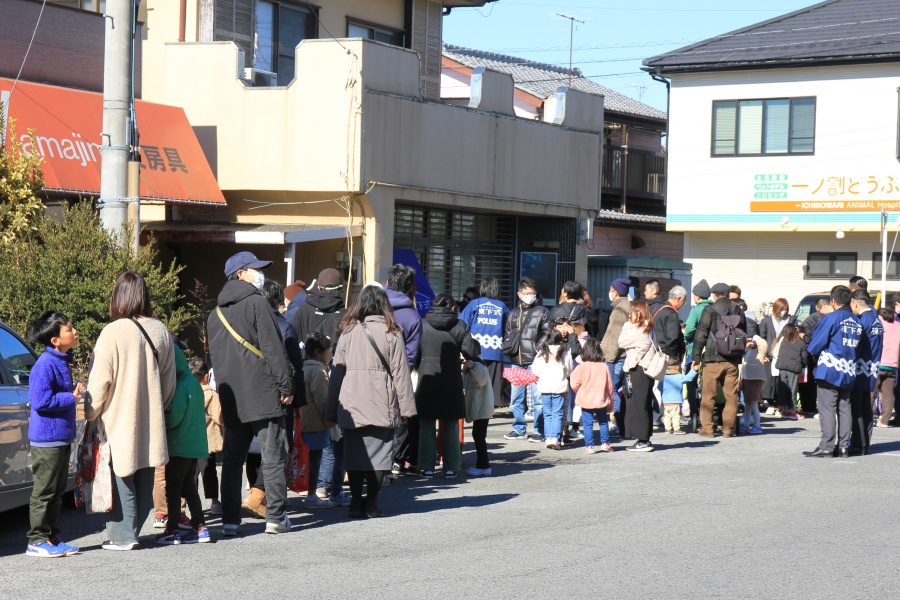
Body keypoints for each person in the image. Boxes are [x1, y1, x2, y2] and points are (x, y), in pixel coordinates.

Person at [85, 272, 177, 551]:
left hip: (119, 418)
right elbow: (169, 381)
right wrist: (160, 407)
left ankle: (123, 535)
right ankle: (131, 531)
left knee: (121, 476)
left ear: (118, 297)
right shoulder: (160, 330)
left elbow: (99, 382)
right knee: (145, 474)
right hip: (152, 418)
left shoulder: (112, 332)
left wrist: (90, 413)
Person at [207, 252, 295, 536]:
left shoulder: (214, 314)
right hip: (263, 391)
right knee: (273, 456)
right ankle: (276, 517)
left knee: (232, 460)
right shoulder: (258, 303)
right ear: (240, 274)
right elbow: (273, 349)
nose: (260, 273)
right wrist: (286, 386)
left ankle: (230, 520)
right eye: (254, 269)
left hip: (232, 397)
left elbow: (215, 360)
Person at [324, 285, 416, 518]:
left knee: (354, 456)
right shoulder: (392, 332)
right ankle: (372, 504)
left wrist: (331, 408)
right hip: (382, 402)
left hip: (352, 404)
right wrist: (407, 408)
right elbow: (401, 374)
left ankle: (356, 504)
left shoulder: (348, 332)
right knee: (380, 456)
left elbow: (337, 373)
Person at [242, 279, 307, 517]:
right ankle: (259, 496)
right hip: (279, 395)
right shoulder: (284, 326)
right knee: (277, 448)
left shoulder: (248, 324)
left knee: (254, 448)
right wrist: (298, 401)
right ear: (279, 301)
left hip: (250, 393)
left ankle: (256, 494)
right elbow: (295, 368)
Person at [24, 312, 83, 558]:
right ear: (55, 340)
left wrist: (72, 393)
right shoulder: (45, 364)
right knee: (44, 491)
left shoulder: (60, 361)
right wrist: (72, 397)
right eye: (69, 329)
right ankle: (37, 540)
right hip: (47, 440)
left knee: (57, 492)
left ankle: (51, 537)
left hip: (61, 438)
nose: (74, 331)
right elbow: (40, 400)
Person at [415, 293, 478, 477]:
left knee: (426, 424)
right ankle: (450, 466)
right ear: (453, 308)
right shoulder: (460, 325)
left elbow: (415, 352)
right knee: (451, 424)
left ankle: (426, 467)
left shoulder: (422, 324)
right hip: (451, 378)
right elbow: (470, 352)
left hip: (427, 376)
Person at [156, 346, 210, 545]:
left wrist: (162, 418)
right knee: (190, 489)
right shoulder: (194, 383)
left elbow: (174, 418)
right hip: (195, 446)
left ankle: (173, 530)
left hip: (179, 445)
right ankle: (200, 528)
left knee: (173, 489)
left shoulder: (180, 385)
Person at [804, 285, 861, 457]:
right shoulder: (856, 320)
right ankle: (843, 446)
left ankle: (827, 446)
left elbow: (815, 345)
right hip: (849, 368)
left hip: (830, 368)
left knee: (827, 407)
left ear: (833, 301)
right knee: (845, 407)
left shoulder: (831, 318)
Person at [691, 282, 747, 438]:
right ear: (729, 294)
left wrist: (696, 357)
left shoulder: (709, 310)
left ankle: (708, 429)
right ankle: (728, 429)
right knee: (731, 396)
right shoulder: (738, 310)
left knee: (708, 395)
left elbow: (700, 335)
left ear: (714, 295)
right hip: (732, 360)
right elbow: (743, 335)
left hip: (713, 359)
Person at [384, 264, 423, 478]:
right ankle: (391, 463)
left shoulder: (372, 307)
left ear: (387, 283)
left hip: (367, 374)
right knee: (397, 421)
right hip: (397, 376)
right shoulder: (412, 316)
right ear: (410, 287)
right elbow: (410, 355)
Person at [502, 278, 552, 442]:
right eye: (527, 293)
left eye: (532, 293)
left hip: (535, 361)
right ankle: (519, 428)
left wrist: (538, 348)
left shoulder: (542, 311)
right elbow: (508, 333)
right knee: (516, 399)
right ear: (519, 294)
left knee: (538, 398)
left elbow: (547, 332)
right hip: (516, 360)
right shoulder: (513, 313)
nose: (530, 296)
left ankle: (539, 430)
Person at [301, 332, 338, 508]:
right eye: (327, 350)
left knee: (300, 460)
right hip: (314, 422)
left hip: (302, 421)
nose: (329, 353)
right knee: (314, 459)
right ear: (318, 352)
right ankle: (311, 495)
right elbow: (323, 400)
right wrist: (332, 423)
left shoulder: (302, 367)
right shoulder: (318, 370)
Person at [460, 277, 510, 409]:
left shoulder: (474, 304)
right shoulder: (502, 306)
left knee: (474, 381)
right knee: (492, 384)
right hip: (495, 350)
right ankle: (489, 408)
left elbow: (462, 324)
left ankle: (474, 407)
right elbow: (508, 328)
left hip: (475, 350)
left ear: (482, 289)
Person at [618, 301, 658, 451]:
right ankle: (644, 438)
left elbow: (621, 342)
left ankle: (643, 440)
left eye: (632, 312)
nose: (629, 316)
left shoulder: (639, 330)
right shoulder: (648, 329)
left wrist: (627, 325)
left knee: (639, 405)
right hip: (645, 370)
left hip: (639, 370)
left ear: (639, 314)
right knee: (643, 404)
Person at [849, 288, 882, 455]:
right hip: (872, 367)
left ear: (855, 303)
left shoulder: (862, 321)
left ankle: (858, 443)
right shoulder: (876, 320)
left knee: (857, 407)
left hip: (860, 368)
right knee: (866, 407)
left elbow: (855, 345)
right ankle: (865, 442)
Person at [189, 358, 223, 517]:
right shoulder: (211, 395)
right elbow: (219, 416)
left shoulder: (187, 393)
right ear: (206, 376)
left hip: (190, 440)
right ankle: (215, 502)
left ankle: (189, 504)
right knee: (209, 471)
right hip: (208, 440)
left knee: (191, 474)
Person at [532, 329, 574, 450]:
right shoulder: (565, 354)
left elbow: (535, 370)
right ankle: (555, 438)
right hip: (559, 386)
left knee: (547, 414)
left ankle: (548, 438)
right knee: (557, 413)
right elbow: (569, 371)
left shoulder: (542, 353)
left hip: (545, 386)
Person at [569, 339, 614, 453]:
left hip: (586, 399)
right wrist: (610, 401)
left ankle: (589, 446)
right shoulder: (604, 366)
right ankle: (605, 444)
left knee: (587, 424)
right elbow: (609, 386)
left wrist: (580, 391)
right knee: (603, 422)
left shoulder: (581, 367)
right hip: (601, 398)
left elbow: (574, 383)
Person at [291, 267, 347, 353]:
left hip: (306, 360)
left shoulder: (304, 310)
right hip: (334, 360)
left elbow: (293, 339)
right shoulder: (347, 315)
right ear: (341, 289)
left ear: (319, 288)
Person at [602, 278, 632, 434]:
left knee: (612, 390)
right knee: (618, 389)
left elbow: (615, 337)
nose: (610, 293)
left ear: (616, 292)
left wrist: (609, 357)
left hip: (616, 357)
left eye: (611, 290)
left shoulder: (620, 310)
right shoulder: (627, 307)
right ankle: (620, 424)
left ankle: (615, 423)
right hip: (623, 356)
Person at [759, 298, 797, 414]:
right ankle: (770, 403)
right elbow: (762, 337)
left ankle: (781, 404)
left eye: (785, 310)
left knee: (783, 381)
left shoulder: (792, 320)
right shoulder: (767, 321)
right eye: (781, 309)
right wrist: (763, 353)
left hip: (786, 355)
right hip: (770, 355)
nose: (783, 312)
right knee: (771, 381)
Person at [683, 279, 712, 430]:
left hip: (694, 350)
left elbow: (689, 329)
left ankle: (694, 413)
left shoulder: (696, 310)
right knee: (709, 383)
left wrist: (686, 337)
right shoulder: (714, 308)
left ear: (698, 296)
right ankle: (708, 413)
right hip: (712, 352)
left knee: (692, 383)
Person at [464, 357, 494, 476]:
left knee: (479, 436)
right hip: (481, 407)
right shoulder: (473, 368)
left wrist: (473, 366)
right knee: (478, 435)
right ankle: (481, 465)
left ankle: (484, 466)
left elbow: (481, 380)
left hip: (482, 407)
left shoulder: (479, 367)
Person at [772, 323, 808, 420]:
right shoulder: (801, 343)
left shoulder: (784, 341)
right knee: (792, 389)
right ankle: (792, 411)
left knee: (783, 388)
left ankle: (783, 410)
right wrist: (803, 365)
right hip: (793, 368)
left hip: (782, 367)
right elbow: (804, 358)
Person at [876, 306, 900, 427]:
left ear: (880, 316)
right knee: (888, 393)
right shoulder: (898, 326)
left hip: (879, 363)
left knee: (871, 391)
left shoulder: (880, 325)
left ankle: (868, 418)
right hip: (893, 365)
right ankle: (884, 421)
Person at [741, 335, 768, 434]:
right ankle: (746, 425)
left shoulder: (759, 351)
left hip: (755, 379)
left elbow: (764, 344)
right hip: (746, 378)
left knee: (754, 404)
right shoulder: (747, 350)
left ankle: (757, 426)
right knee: (747, 404)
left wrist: (754, 339)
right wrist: (745, 344)